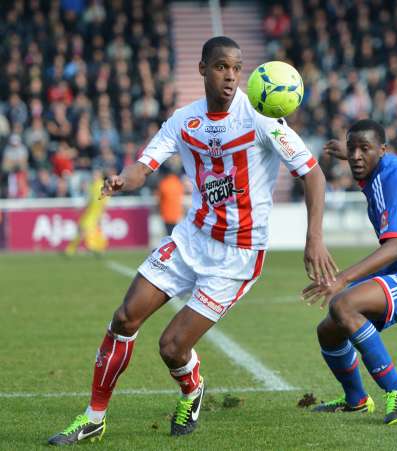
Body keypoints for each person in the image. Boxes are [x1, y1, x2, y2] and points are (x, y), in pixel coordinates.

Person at [48, 36, 337, 445]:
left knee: (171, 347)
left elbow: (313, 174)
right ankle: (94, 416)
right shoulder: (184, 120)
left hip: (237, 255)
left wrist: (315, 239)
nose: (231, 76)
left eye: (237, 68)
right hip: (191, 239)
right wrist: (122, 180)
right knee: (125, 317)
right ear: (203, 69)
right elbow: (144, 166)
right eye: (222, 67)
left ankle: (192, 389)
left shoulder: (262, 118)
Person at [303, 119, 397, 425]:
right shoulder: (382, 167)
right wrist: (353, 150)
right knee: (328, 331)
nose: (356, 156)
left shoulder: (390, 180)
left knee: (343, 303)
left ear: (382, 151)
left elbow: (395, 247)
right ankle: (356, 400)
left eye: (364, 149)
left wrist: (342, 278)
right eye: (352, 148)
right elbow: (366, 152)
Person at [64, 169, 109, 256]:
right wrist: (84, 208)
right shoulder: (91, 185)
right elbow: (90, 200)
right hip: (89, 211)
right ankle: (98, 248)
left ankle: (72, 249)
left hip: (96, 212)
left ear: (100, 176)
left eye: (96, 174)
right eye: (94, 174)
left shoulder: (102, 185)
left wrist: (101, 213)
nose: (94, 176)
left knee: (84, 229)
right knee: (83, 229)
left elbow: (104, 200)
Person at [157, 165, 185, 235]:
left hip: (167, 214)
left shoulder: (163, 183)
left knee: (169, 234)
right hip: (177, 213)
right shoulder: (177, 182)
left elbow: (159, 199)